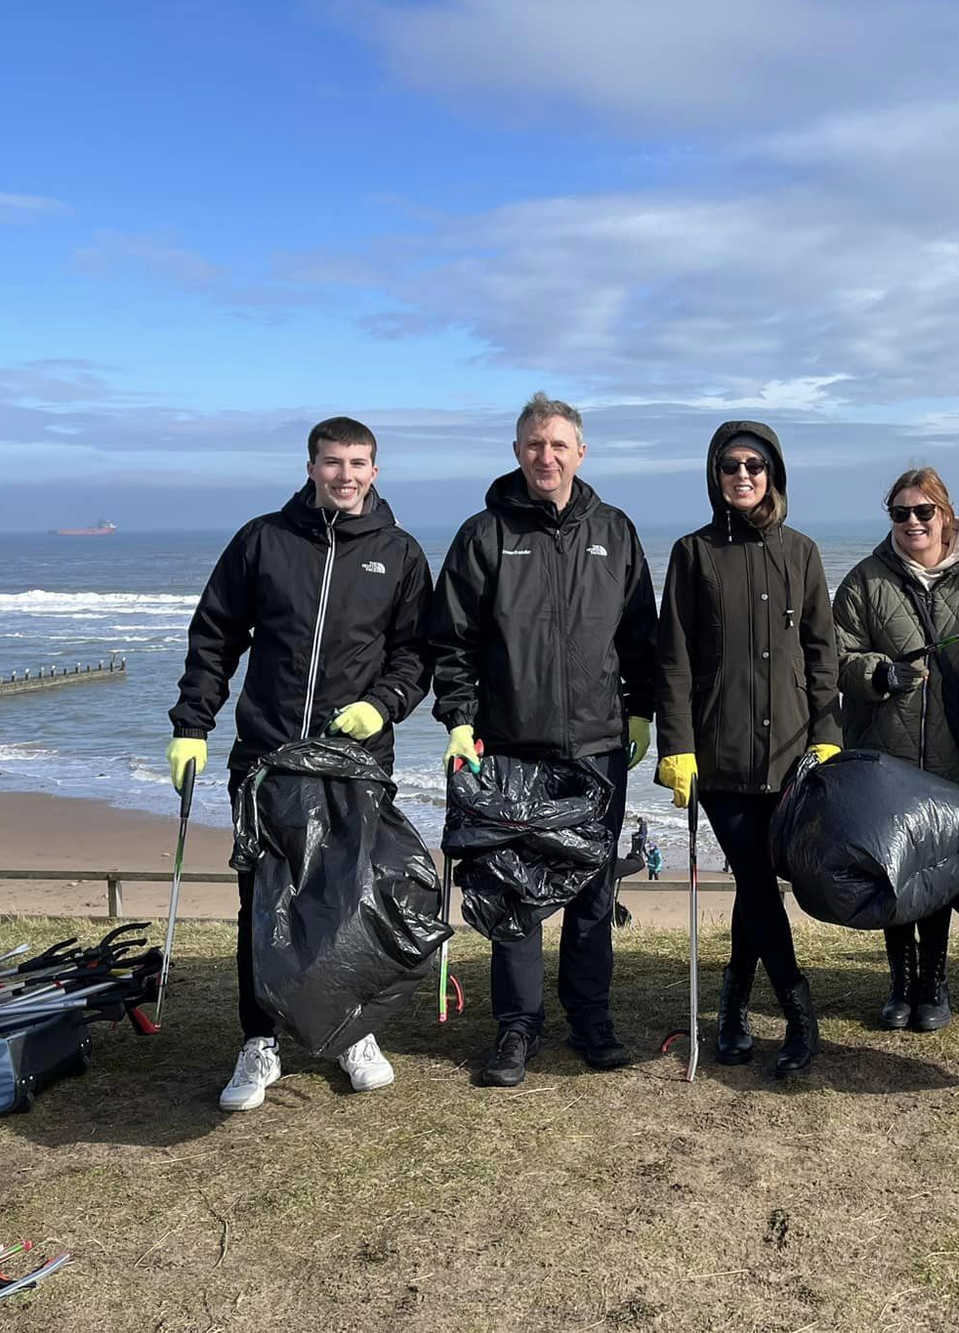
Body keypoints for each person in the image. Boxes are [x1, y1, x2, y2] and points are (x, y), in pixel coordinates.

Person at [168, 416, 431, 1111]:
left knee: (347, 901)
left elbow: (416, 654)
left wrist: (384, 703)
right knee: (265, 904)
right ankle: (261, 1041)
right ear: (311, 465)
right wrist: (192, 724)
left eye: (359, 462)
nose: (346, 474)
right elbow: (215, 635)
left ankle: (351, 1031)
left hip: (354, 763)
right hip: (267, 760)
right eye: (333, 462)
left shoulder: (399, 553)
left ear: (377, 469)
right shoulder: (264, 540)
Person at [428, 392, 657, 1085]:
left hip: (596, 747)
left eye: (558, 444)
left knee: (591, 890)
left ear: (580, 452)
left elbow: (641, 636)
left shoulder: (614, 531)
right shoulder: (484, 534)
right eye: (534, 444)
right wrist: (460, 719)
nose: (546, 455)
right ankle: (517, 1029)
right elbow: (452, 641)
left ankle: (591, 1021)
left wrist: (641, 712)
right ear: (517, 451)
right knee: (513, 893)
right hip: (508, 750)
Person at [655, 420, 841, 1077]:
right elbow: (672, 659)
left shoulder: (801, 553)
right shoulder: (692, 553)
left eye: (754, 465)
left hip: (791, 754)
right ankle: (799, 1014)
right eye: (730, 464)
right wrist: (675, 745)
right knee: (760, 885)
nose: (742, 474)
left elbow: (823, 654)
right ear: (714, 473)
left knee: (757, 887)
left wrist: (828, 735)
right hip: (722, 757)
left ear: (773, 474)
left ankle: (732, 1005)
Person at [833, 466, 959, 1033]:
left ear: (946, 512)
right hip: (884, 753)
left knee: (935, 870)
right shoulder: (866, 579)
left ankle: (933, 982)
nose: (912, 522)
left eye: (923, 511)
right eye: (900, 513)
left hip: (951, 754)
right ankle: (898, 982)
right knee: (894, 870)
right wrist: (878, 673)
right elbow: (835, 656)